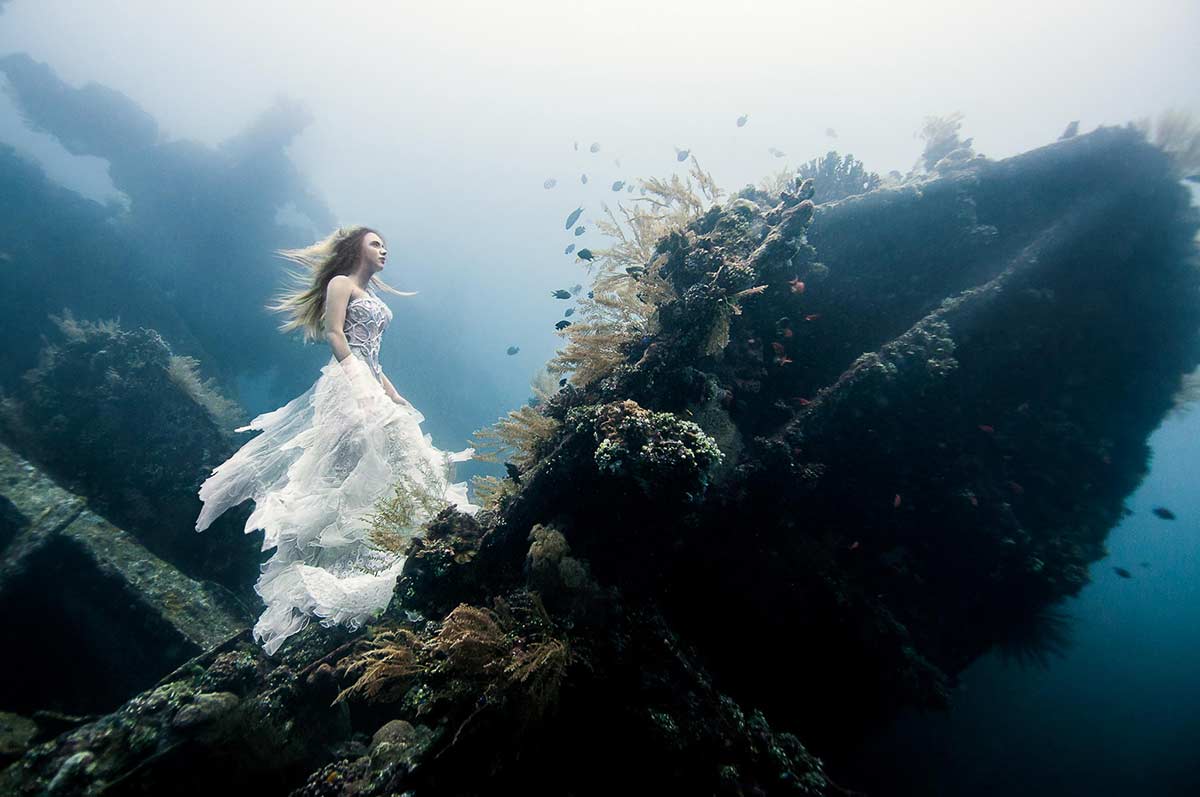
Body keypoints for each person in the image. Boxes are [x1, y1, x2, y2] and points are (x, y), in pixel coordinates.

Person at [195, 226, 477, 655]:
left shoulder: (372, 296)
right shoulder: (340, 283)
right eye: (375, 243)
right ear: (355, 248)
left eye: (385, 245)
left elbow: (372, 353)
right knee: (347, 469)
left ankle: (404, 542)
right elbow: (335, 335)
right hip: (346, 386)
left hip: (369, 380)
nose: (384, 250)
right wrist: (358, 381)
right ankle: (322, 572)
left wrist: (390, 391)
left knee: (398, 456)